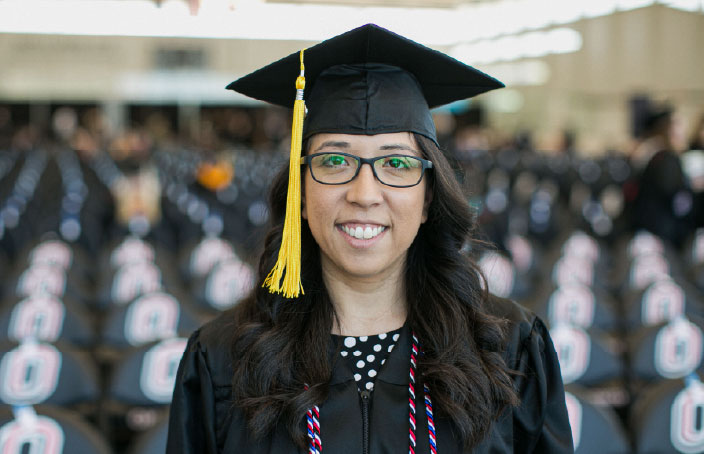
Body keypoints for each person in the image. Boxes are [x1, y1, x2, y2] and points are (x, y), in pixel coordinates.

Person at [166, 24, 573, 453]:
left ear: (429, 197)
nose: (364, 194)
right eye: (335, 161)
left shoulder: (509, 351)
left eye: (396, 163)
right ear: (300, 193)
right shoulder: (224, 361)